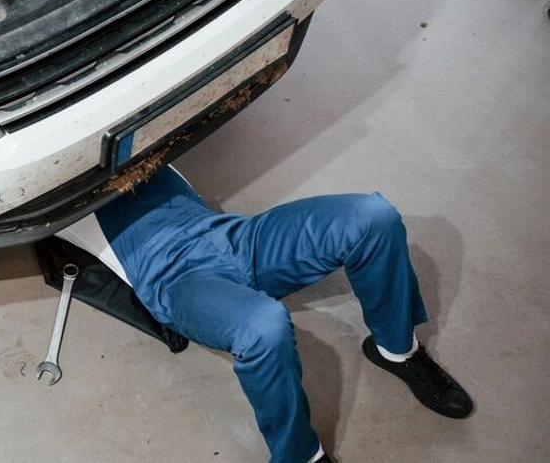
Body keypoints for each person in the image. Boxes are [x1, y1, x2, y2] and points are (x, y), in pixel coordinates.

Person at [55, 165, 473, 463]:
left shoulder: (130, 129)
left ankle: (397, 350)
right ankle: (301, 456)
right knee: (263, 326)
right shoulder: (53, 179)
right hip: (180, 281)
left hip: (236, 238)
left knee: (373, 217)